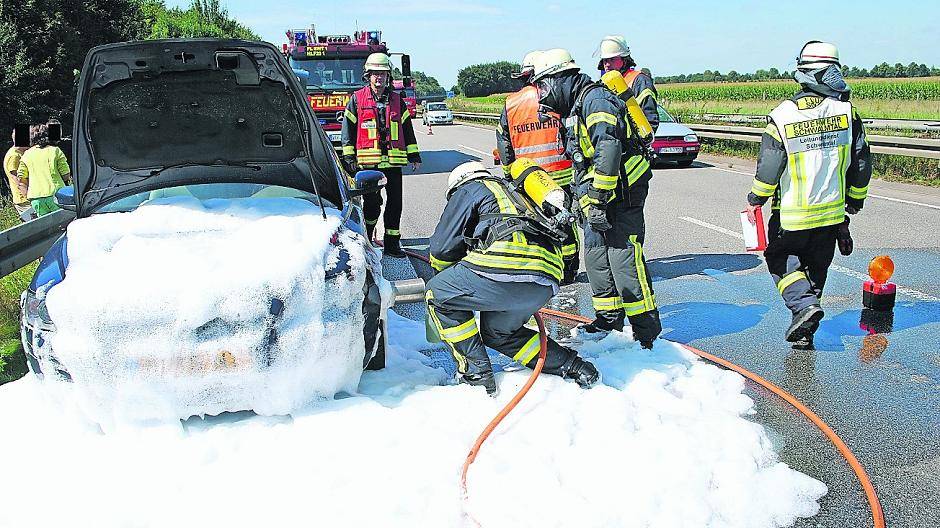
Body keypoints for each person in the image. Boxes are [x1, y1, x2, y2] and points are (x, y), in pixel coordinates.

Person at [426, 161, 599, 395]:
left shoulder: (470, 188)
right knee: (500, 334)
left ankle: (476, 377)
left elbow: (441, 249)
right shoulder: (517, 191)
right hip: (546, 280)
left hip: (504, 266)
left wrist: (449, 277)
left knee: (438, 294)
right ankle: (576, 367)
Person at [531, 49, 661, 348]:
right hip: (601, 193)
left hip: (623, 191)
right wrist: (583, 198)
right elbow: (584, 159)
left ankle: (646, 328)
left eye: (543, 86)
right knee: (595, 254)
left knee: (623, 256)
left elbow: (609, 148)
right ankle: (609, 317)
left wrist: (599, 199)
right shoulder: (577, 106)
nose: (542, 95)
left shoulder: (596, 100)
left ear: (560, 79)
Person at [745, 41, 871, 349]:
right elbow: (862, 162)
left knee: (778, 258)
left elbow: (770, 167)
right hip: (831, 214)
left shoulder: (783, 116)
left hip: (793, 215)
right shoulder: (846, 113)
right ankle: (805, 329)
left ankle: (803, 309)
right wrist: (855, 200)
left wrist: (755, 200)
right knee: (816, 268)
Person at [496, 51, 580, 284]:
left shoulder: (511, 103)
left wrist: (510, 173)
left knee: (537, 224)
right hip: (561, 173)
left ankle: (544, 268)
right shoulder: (558, 96)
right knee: (565, 222)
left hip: (528, 178)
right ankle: (569, 271)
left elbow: (504, 143)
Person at [341, 52, 421, 257]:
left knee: (395, 205)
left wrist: (414, 155)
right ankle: (366, 239)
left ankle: (392, 244)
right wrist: (349, 159)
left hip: (393, 165)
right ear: (368, 76)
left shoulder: (397, 101)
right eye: (375, 74)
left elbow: (407, 129)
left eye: (383, 74)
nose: (379, 78)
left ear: (388, 76)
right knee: (371, 206)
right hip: (369, 166)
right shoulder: (357, 100)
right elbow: (347, 131)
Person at [596, 35, 659, 132]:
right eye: (605, 60)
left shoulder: (640, 80)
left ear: (624, 60)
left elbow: (650, 120)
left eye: (612, 59)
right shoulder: (603, 86)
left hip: (633, 145)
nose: (607, 65)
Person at [17, 124, 70, 217]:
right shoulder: (55, 150)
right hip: (56, 194)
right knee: (64, 222)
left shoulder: (26, 154)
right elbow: (66, 174)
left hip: (36, 199)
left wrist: (29, 196)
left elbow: (21, 180)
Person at [4, 126, 34, 221]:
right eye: (29, 138)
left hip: (28, 197)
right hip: (24, 200)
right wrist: (30, 197)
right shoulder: (14, 156)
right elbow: (18, 180)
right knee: (35, 227)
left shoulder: (21, 153)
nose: (31, 140)